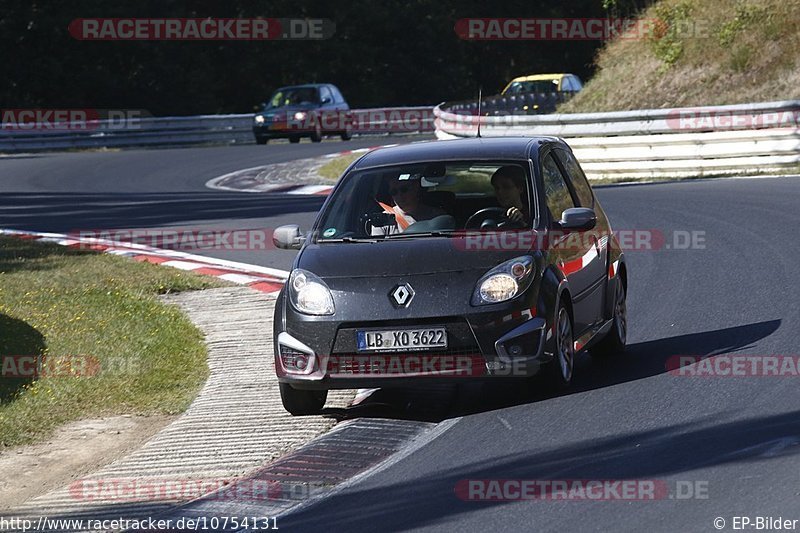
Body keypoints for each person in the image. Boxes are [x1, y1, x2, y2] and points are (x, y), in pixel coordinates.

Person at [372, 176, 445, 234]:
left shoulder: (437, 217)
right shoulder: (382, 220)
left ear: (416, 188)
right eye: (394, 192)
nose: (399, 196)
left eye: (404, 189)